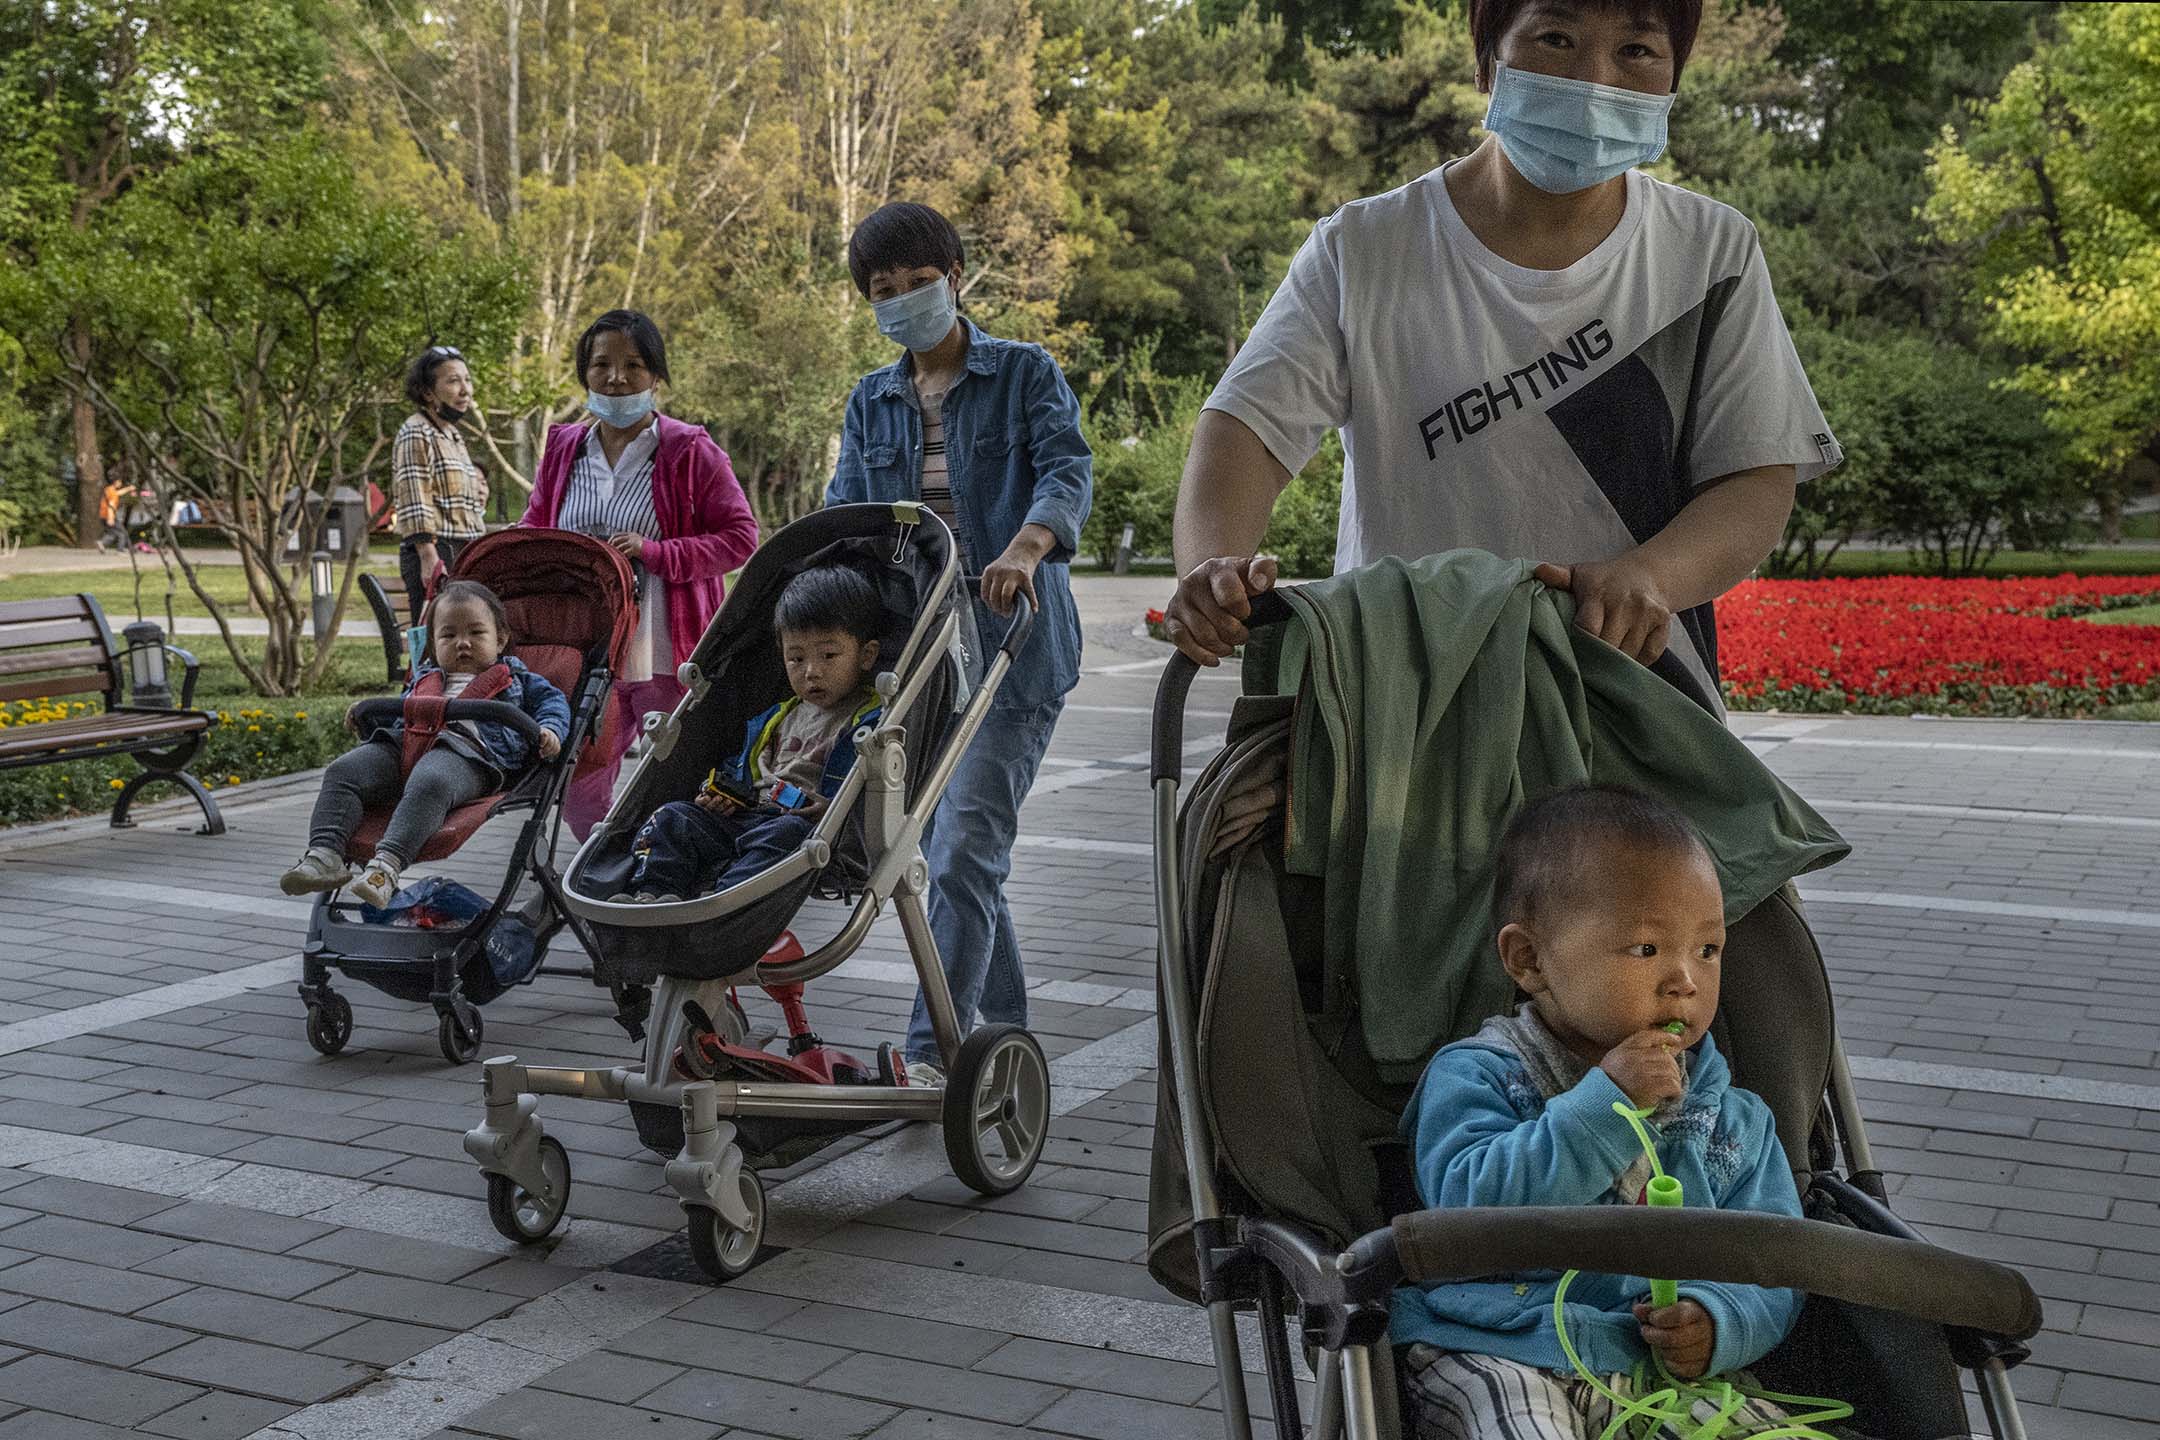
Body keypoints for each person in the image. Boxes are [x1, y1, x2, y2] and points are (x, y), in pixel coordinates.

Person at [1164, 0, 1840, 715]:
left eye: (1637, 51)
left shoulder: (1710, 254)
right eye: (1556, 38)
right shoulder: (1362, 249)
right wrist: (1215, 568)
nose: (1593, 80)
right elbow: (1246, 431)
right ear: (1487, 60)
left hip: (1635, 704)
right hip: (1399, 709)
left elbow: (1756, 476)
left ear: (1674, 81)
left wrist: (1651, 576)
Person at [1392, 784, 1804, 1438]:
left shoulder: (1736, 1123)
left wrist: (1720, 1319)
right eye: (1647, 949)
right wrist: (1607, 1105)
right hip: (1498, 1346)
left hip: (1657, 1371)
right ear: (1530, 961)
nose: (1685, 980)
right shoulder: (1478, 1076)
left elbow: (1777, 1260)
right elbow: (1463, 1216)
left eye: (1708, 949)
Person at [825, 202, 1093, 1085]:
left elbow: (1065, 468)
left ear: (956, 276)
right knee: (956, 860)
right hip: (922, 662)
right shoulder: (874, 397)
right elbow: (848, 514)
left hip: (1015, 647)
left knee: (965, 851)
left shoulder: (1024, 372)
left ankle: (930, 1052)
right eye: (883, 290)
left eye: (917, 282)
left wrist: (1024, 548)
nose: (902, 300)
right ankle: (1005, 1037)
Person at [521, 309, 760, 839]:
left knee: (674, 770)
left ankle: (664, 873)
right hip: (585, 646)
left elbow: (741, 537)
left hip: (663, 647)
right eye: (601, 364)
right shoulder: (564, 448)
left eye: (634, 365)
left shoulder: (689, 449)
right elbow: (535, 528)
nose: (616, 377)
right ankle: (603, 868)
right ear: (584, 373)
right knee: (583, 780)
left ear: (656, 375)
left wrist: (656, 552)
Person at [279, 580, 569, 908]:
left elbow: (552, 702)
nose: (463, 644)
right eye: (449, 636)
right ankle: (325, 853)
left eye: (476, 634)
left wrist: (549, 729)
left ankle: (386, 865)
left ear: (500, 639)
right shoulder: (426, 678)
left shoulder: (516, 679)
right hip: (408, 744)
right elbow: (401, 713)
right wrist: (368, 717)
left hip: (470, 754)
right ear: (432, 643)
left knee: (431, 778)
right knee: (343, 770)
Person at [615, 567, 885, 902]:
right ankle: (653, 893)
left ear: (866, 655)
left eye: (828, 655)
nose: (812, 671)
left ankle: (722, 901)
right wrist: (717, 796)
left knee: (786, 833)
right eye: (796, 658)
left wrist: (833, 809)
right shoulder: (775, 717)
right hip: (745, 817)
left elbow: (875, 795)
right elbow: (740, 770)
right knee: (672, 816)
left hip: (802, 827)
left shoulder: (873, 719)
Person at [392, 345, 488, 623]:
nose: (465, 390)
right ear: (427, 392)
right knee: (437, 642)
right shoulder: (416, 430)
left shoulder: (453, 435)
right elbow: (414, 496)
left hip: (465, 552)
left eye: (467, 380)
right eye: (453, 381)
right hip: (437, 552)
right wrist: (428, 556)